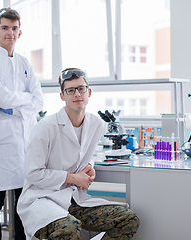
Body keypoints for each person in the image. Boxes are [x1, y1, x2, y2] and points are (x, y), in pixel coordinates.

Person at [17, 68, 140, 240]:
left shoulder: (96, 123)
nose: (77, 94)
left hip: (72, 198)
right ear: (62, 96)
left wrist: (90, 165)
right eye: (70, 90)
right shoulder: (45, 127)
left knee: (128, 219)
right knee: (69, 228)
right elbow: (33, 174)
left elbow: (84, 152)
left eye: (81, 89)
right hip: (42, 199)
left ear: (88, 92)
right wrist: (73, 178)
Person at [0, 7, 44, 240]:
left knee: (22, 202)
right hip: (0, 140)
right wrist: (23, 102)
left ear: (20, 32)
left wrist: (16, 103)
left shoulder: (25, 63)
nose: (10, 32)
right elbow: (0, 98)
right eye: (5, 28)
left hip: (25, 141)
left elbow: (39, 101)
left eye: (14, 28)